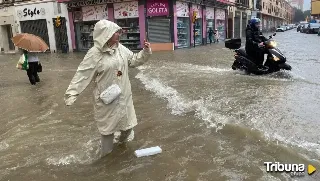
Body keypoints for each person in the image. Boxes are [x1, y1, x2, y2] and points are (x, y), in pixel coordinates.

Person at [64, 20, 152, 157]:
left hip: (124, 96)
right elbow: (82, 73)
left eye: (118, 31)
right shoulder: (95, 54)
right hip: (107, 99)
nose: (118, 34)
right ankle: (106, 159)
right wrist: (72, 93)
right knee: (108, 131)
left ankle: (121, 147)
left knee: (127, 127)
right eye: (115, 32)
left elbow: (133, 60)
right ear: (105, 34)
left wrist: (145, 51)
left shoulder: (120, 49)